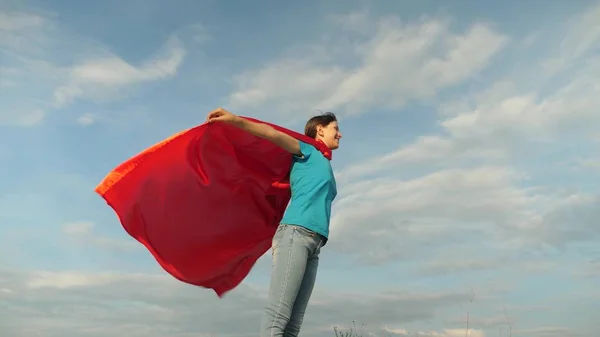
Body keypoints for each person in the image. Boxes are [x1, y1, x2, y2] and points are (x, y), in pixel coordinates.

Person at [205, 107, 342, 337]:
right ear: (320, 129)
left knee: (294, 323)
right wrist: (234, 121)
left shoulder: (323, 161)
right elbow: (271, 134)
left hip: (315, 243)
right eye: (336, 128)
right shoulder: (306, 149)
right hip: (295, 235)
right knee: (279, 314)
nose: (340, 134)